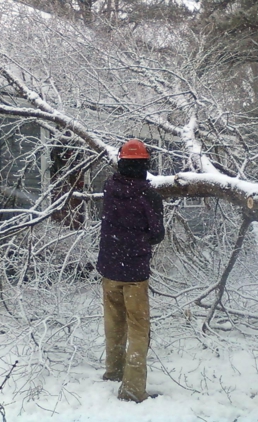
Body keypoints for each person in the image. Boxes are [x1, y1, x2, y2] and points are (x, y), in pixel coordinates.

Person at [97, 138, 165, 403]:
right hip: (134, 272)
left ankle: (113, 371)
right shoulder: (149, 194)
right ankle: (133, 388)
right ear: (145, 164)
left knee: (114, 323)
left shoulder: (109, 187)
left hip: (110, 267)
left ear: (121, 163)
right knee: (138, 328)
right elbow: (157, 233)